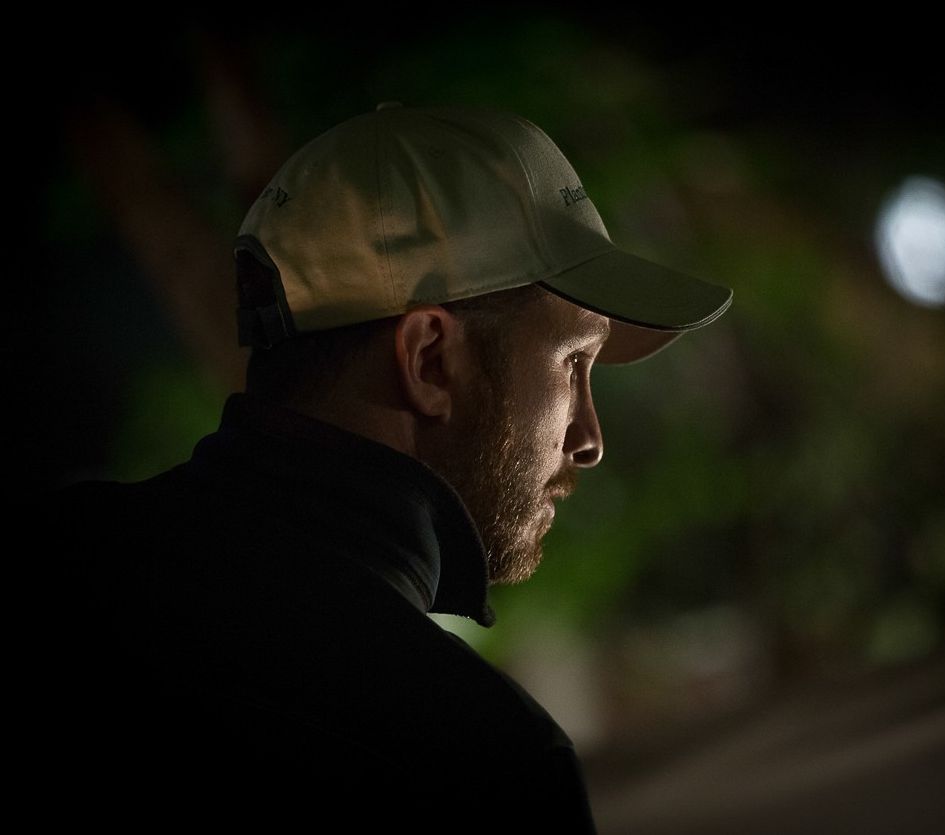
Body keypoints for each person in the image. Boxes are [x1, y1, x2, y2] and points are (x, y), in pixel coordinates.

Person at [24, 103, 731, 829]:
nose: (589, 436)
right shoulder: (475, 761)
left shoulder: (66, 557)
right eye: (573, 362)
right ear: (430, 359)